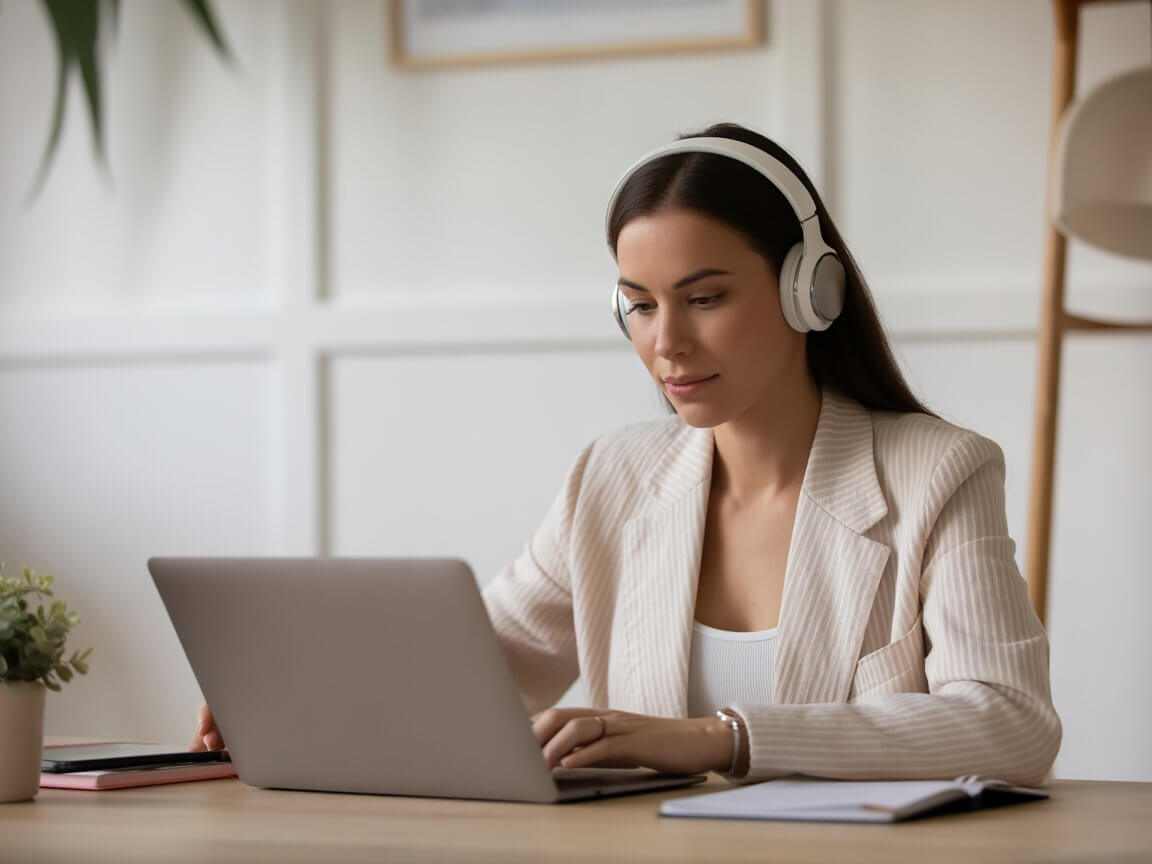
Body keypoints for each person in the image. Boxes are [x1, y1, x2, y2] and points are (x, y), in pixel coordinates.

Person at [194, 123, 1061, 786]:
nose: (666, 342)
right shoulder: (612, 479)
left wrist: (719, 739)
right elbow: (474, 670)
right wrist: (294, 700)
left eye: (705, 298)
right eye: (640, 306)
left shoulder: (937, 472)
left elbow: (1012, 723)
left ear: (811, 291)